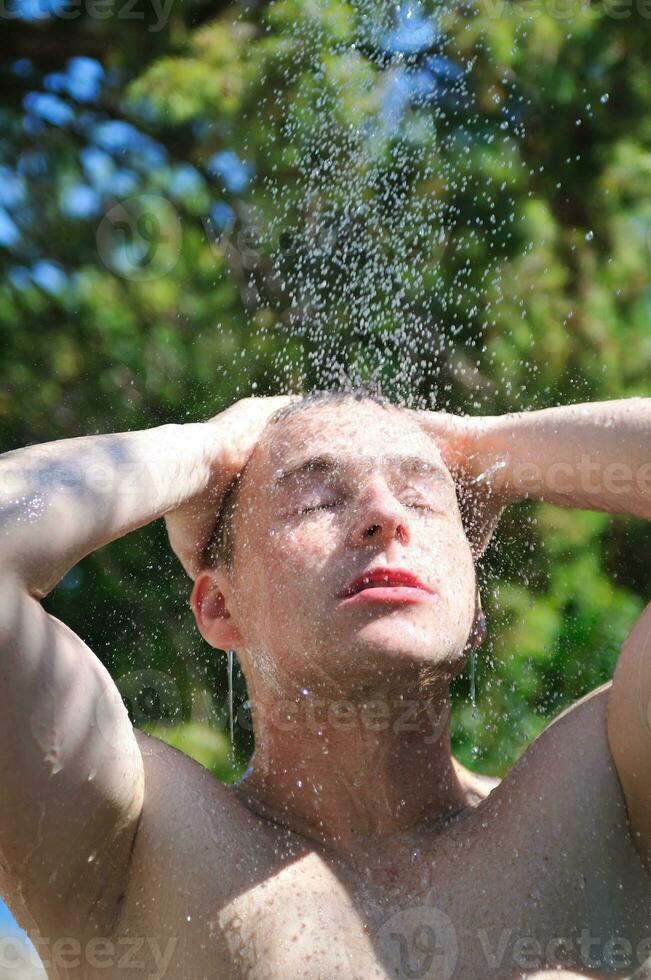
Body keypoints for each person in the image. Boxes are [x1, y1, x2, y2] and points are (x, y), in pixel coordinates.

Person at [0, 388, 650, 980]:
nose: (384, 514)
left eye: (421, 495)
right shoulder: (139, 842)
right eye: (315, 498)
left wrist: (486, 447)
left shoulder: (606, 796)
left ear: (475, 606)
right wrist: (204, 448)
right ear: (220, 607)